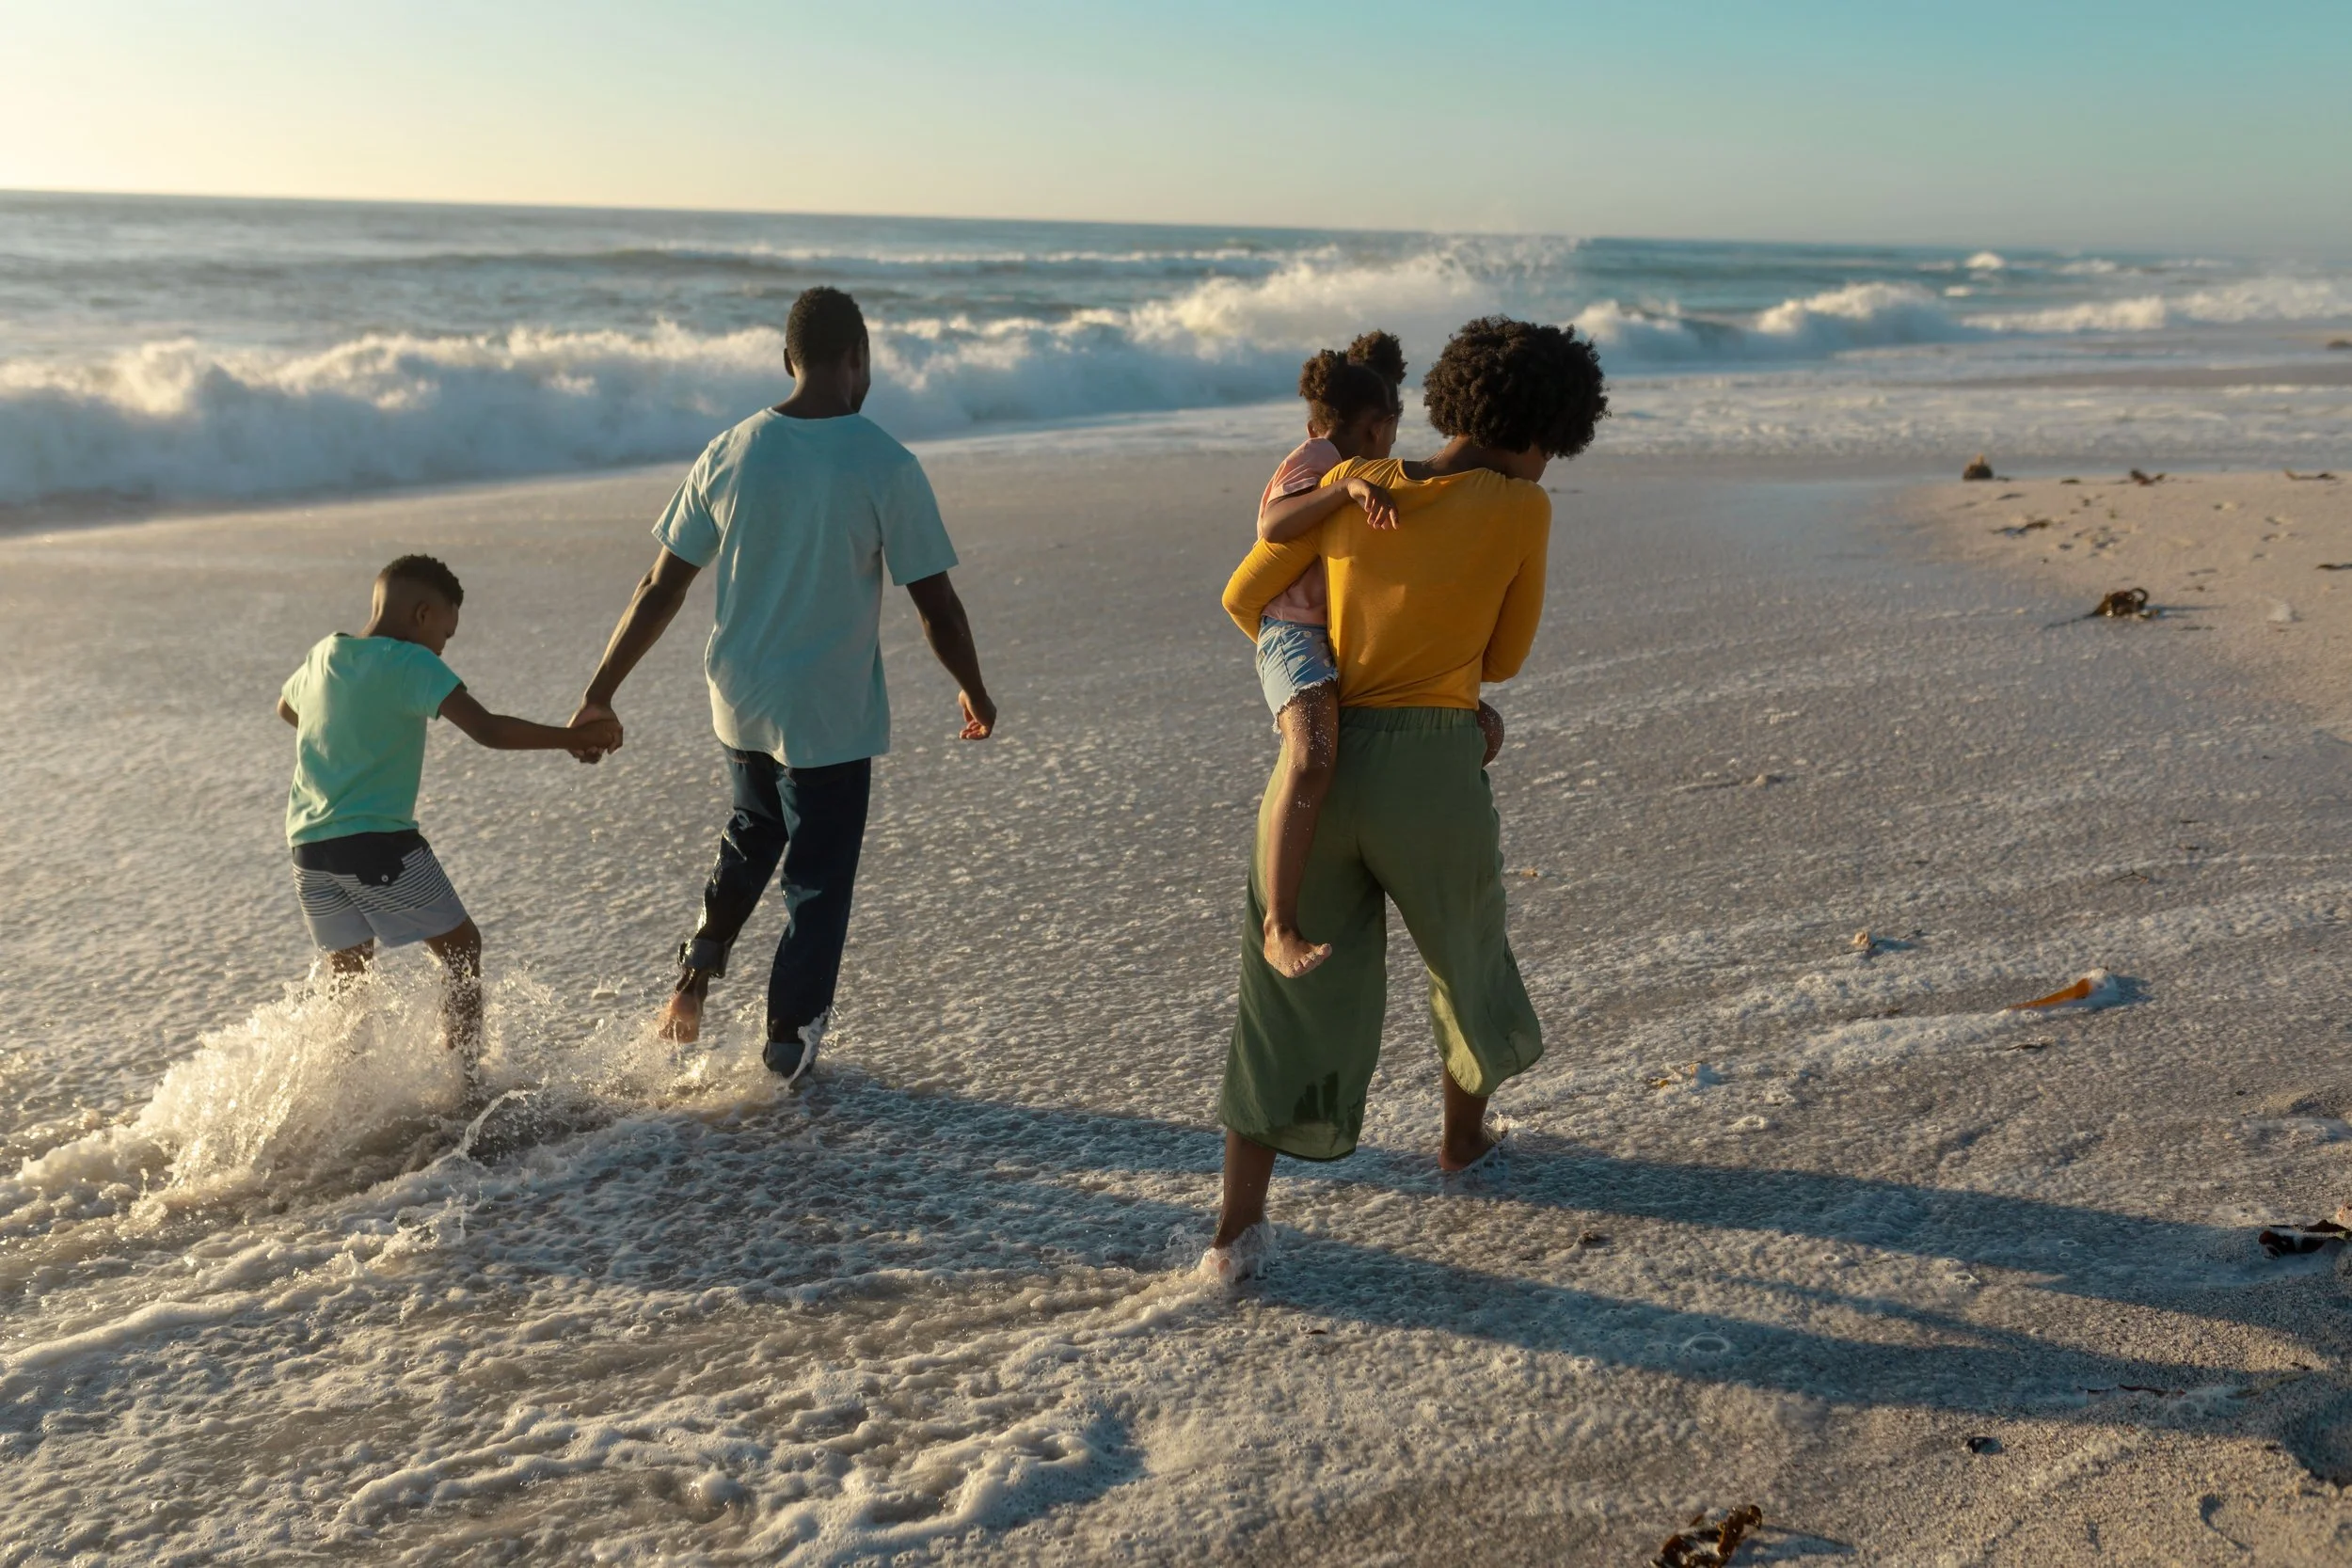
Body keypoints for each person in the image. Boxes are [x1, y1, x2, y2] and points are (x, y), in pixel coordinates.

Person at [1205, 315, 1610, 1281]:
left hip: (1319, 759)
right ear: (1538, 431)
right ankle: (1461, 1144)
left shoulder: (1354, 487)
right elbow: (1504, 657)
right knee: (1462, 954)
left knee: (1282, 994)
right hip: (1430, 768)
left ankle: (1234, 1235)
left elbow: (1243, 594)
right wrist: (1470, 713)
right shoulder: (1520, 509)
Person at [570, 285, 996, 1083]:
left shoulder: (729, 449)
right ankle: (785, 1052)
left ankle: (691, 979)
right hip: (828, 717)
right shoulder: (886, 462)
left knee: (750, 831)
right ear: (855, 360)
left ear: (787, 359)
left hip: (740, 700)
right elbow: (935, 603)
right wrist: (972, 687)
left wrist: (602, 689)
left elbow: (659, 586)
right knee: (817, 882)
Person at [277, 554, 619, 1057]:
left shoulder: (325, 654)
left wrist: (349, 737)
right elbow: (487, 729)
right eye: (447, 633)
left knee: (349, 980)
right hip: (377, 844)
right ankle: (465, 1084)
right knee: (461, 948)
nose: (444, 646)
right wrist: (571, 738)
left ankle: (342, 1095)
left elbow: (289, 708)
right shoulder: (413, 662)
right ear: (423, 615)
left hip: (308, 849)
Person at [1249, 333, 1403, 981]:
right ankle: (1279, 925)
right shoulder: (1316, 459)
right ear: (1378, 426)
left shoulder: (1349, 460)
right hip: (1290, 631)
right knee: (1313, 755)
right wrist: (1346, 491)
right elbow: (1274, 525)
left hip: (1332, 633)